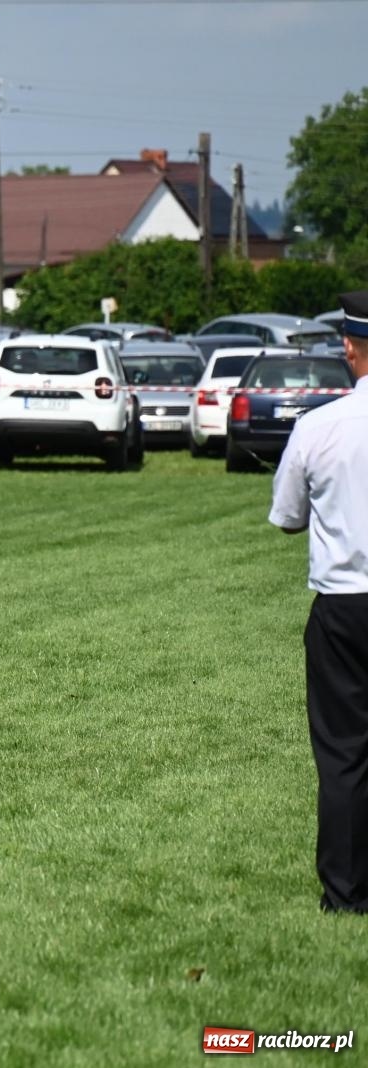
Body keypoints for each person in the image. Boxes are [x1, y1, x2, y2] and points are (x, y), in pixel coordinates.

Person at [270, 288, 368, 914]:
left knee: (343, 755)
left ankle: (347, 894)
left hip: (342, 606)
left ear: (352, 348)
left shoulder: (319, 426)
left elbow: (286, 518)